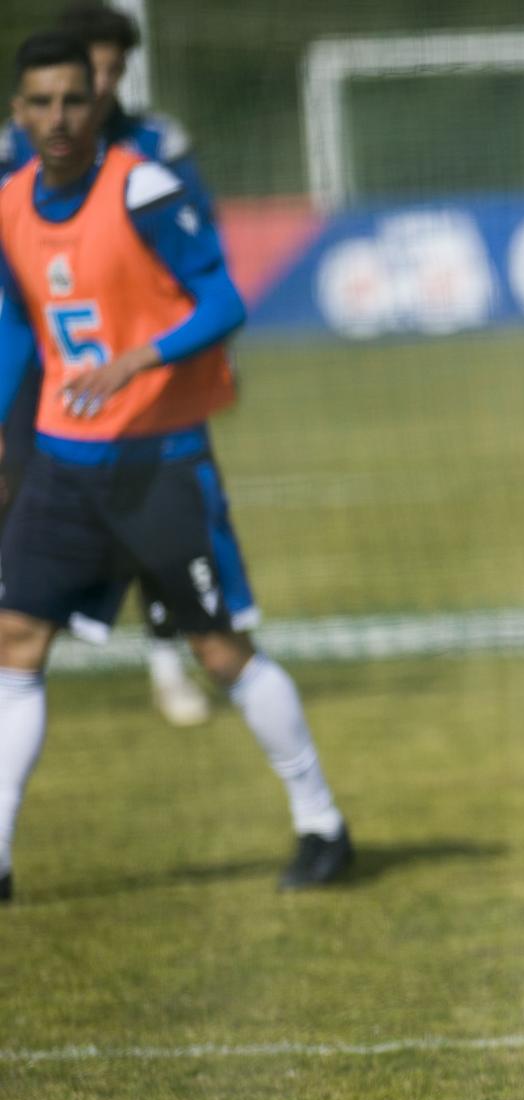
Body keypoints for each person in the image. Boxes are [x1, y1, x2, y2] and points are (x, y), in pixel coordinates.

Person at [0, 33, 353, 904]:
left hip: (160, 463)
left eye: (73, 101)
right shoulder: (7, 201)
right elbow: (17, 325)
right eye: (39, 103)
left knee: (219, 651)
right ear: (18, 112)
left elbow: (225, 298)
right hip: (60, 463)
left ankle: (323, 824)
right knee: (13, 643)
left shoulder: (143, 187)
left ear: (98, 104)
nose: (57, 118)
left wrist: (139, 359)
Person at [0, 1, 218, 724]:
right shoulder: (17, 159)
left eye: (110, 74)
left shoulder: (153, 149)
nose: (98, 86)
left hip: (146, 385)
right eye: (91, 69)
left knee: (158, 534)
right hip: (52, 374)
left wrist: (150, 354)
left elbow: (205, 265)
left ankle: (168, 657)